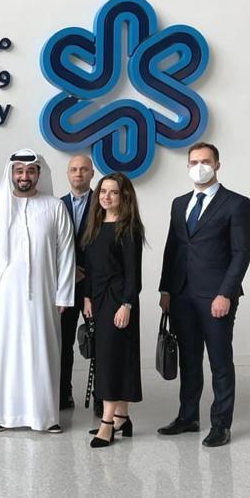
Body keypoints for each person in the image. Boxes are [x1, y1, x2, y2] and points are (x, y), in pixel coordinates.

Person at [157, 142, 250, 447]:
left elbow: (241, 254)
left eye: (206, 161)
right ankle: (188, 417)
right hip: (181, 294)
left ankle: (221, 425)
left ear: (217, 165)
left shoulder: (237, 204)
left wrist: (226, 293)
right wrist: (166, 288)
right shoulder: (179, 203)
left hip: (216, 296)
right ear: (187, 166)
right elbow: (172, 248)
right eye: (194, 162)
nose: (200, 166)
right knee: (189, 359)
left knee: (220, 362)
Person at [0, 149, 75, 433]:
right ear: (11, 173)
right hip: (2, 298)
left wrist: (64, 294)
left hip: (43, 296)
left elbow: (65, 253)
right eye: (19, 170)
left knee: (41, 353)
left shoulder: (54, 207)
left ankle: (45, 417)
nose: (24, 176)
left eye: (30, 171)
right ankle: (1, 415)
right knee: (4, 353)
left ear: (38, 174)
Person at [80, 172, 145, 448]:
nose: (106, 197)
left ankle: (106, 424)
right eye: (103, 191)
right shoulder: (94, 225)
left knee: (110, 361)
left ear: (124, 196)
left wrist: (127, 305)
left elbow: (134, 274)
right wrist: (86, 297)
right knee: (115, 358)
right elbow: (89, 267)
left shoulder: (128, 228)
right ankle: (122, 417)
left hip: (119, 302)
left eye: (113, 192)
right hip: (98, 299)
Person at [59, 154, 95, 412]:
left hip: (95, 286)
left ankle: (101, 397)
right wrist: (68, 271)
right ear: (68, 174)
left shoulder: (104, 202)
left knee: (100, 343)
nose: (78, 173)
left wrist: (87, 273)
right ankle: (63, 394)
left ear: (92, 173)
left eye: (83, 169)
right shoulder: (55, 205)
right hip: (65, 286)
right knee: (63, 343)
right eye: (74, 169)